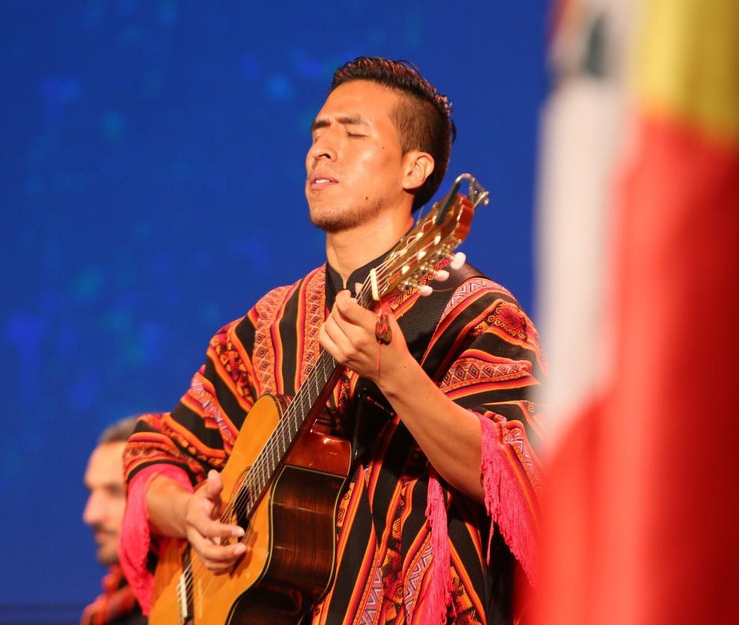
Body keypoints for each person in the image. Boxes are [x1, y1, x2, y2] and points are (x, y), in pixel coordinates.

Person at [119, 56, 545, 624]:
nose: (322, 149)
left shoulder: (477, 315)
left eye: (352, 133)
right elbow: (159, 450)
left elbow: (519, 476)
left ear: (414, 170)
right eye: (319, 133)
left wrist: (395, 374)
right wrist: (189, 513)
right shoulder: (269, 326)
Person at [82, 415, 147, 625]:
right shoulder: (105, 613)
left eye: (114, 492)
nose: (91, 515)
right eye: (91, 492)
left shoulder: (202, 601)